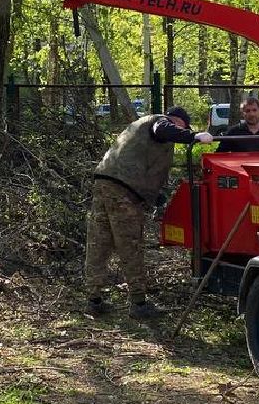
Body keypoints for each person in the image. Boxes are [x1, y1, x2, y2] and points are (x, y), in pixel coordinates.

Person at [85, 105, 214, 319]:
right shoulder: (160, 122)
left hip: (105, 182)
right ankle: (138, 303)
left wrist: (155, 195)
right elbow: (162, 130)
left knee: (99, 242)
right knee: (130, 245)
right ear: (178, 121)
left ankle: (94, 299)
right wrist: (194, 136)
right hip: (125, 190)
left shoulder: (139, 126)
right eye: (184, 125)